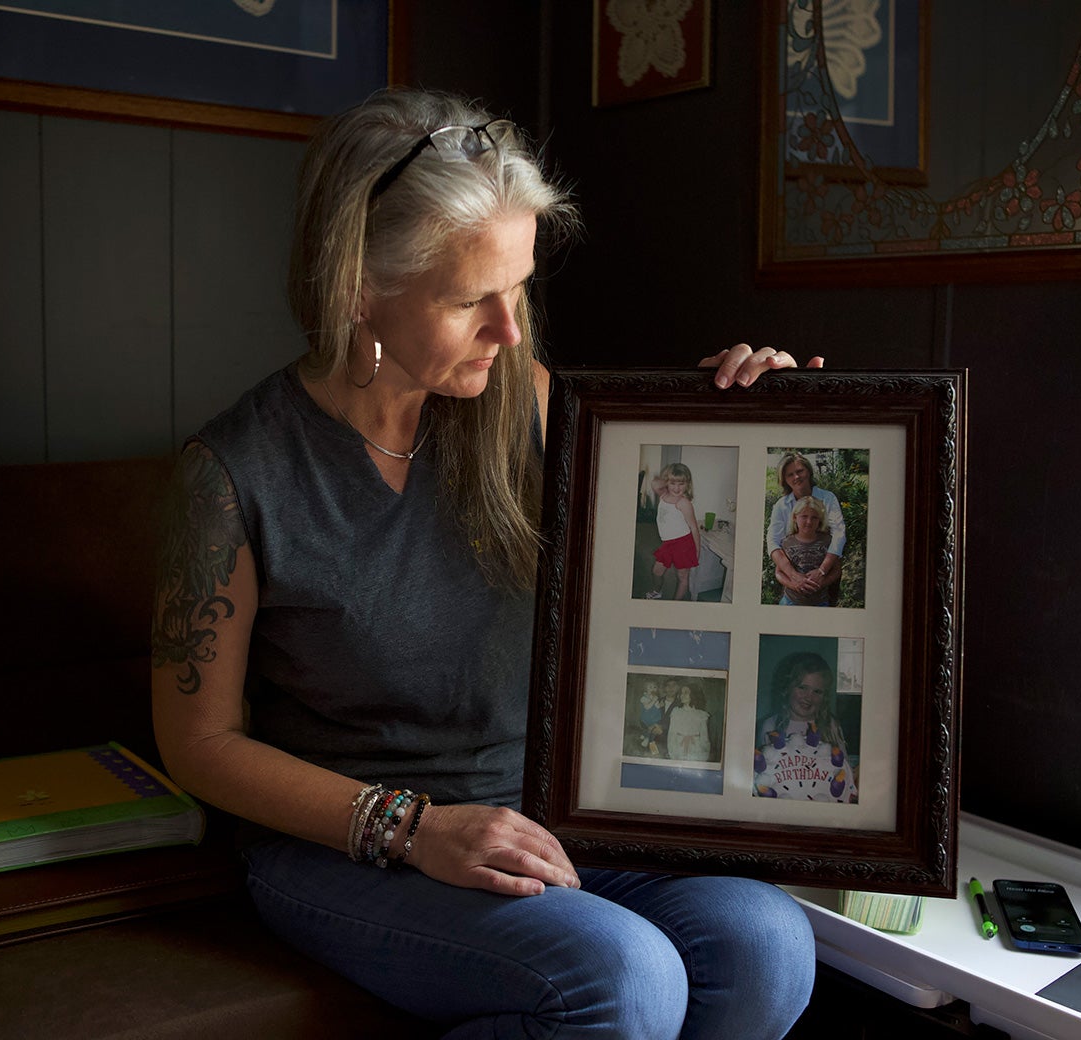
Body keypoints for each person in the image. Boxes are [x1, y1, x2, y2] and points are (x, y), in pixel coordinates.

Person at [150, 87, 821, 1039]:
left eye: (521, 289)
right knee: (624, 979)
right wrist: (418, 830)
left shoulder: (531, 400)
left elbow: (680, 559)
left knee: (767, 946)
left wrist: (763, 430)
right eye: (471, 300)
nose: (511, 332)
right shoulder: (230, 476)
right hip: (341, 845)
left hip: (540, 810)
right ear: (356, 287)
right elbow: (198, 744)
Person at [753, 652, 858, 803]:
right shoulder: (771, 726)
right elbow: (760, 772)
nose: (808, 697)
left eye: (817, 691)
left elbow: (844, 768)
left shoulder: (830, 724)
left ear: (825, 696)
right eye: (802, 687)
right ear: (787, 688)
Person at [766, 452, 846, 604]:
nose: (796, 477)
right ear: (784, 480)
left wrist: (822, 572)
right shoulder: (781, 506)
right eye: (790, 474)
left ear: (808, 471)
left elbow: (839, 534)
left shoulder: (828, 498)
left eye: (800, 471)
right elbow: (773, 542)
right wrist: (794, 576)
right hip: (793, 576)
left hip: (826, 570)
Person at [645, 462, 702, 601]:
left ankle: (675, 604)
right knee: (657, 571)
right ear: (666, 483)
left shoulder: (683, 503)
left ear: (687, 484)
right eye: (673, 483)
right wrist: (665, 480)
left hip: (683, 544)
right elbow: (654, 483)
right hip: (667, 544)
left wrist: (697, 550)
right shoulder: (663, 494)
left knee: (682, 576)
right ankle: (657, 591)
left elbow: (694, 527)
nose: (676, 488)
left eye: (681, 484)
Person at [779, 496, 838, 606]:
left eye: (814, 517)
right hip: (790, 601)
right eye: (804, 516)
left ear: (820, 520)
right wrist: (793, 585)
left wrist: (822, 583)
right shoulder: (787, 542)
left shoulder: (828, 541)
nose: (809, 521)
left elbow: (837, 570)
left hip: (820, 602)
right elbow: (778, 572)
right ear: (794, 517)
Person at [667, 685, 712, 762]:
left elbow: (704, 737)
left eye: (686, 693)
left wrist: (704, 755)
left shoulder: (701, 715)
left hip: (696, 750)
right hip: (679, 748)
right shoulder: (676, 712)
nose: (682, 695)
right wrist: (673, 753)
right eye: (681, 693)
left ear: (693, 695)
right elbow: (671, 734)